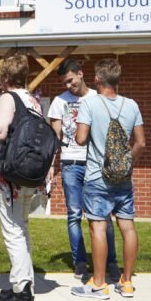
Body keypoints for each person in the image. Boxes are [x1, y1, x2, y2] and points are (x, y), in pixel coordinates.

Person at [71, 58, 145, 300]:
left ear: (97, 79)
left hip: (96, 177)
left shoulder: (89, 104)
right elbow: (141, 143)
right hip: (123, 179)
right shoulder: (132, 105)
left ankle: (99, 284)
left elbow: (81, 139)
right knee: (127, 226)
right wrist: (125, 161)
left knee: (98, 227)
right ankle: (126, 282)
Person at [48, 58, 120, 281]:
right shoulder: (59, 102)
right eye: (65, 83)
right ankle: (80, 262)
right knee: (73, 214)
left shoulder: (97, 98)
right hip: (70, 164)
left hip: (95, 164)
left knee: (103, 215)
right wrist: (51, 165)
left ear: (80, 74)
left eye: (70, 81)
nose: (68, 86)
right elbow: (55, 137)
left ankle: (111, 262)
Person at [0, 53, 44, 301]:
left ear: (6, 77)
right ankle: (24, 282)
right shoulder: (33, 100)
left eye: (1, 78)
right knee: (22, 227)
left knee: (12, 231)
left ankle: (22, 291)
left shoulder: (9, 98)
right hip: (27, 175)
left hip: (9, 179)